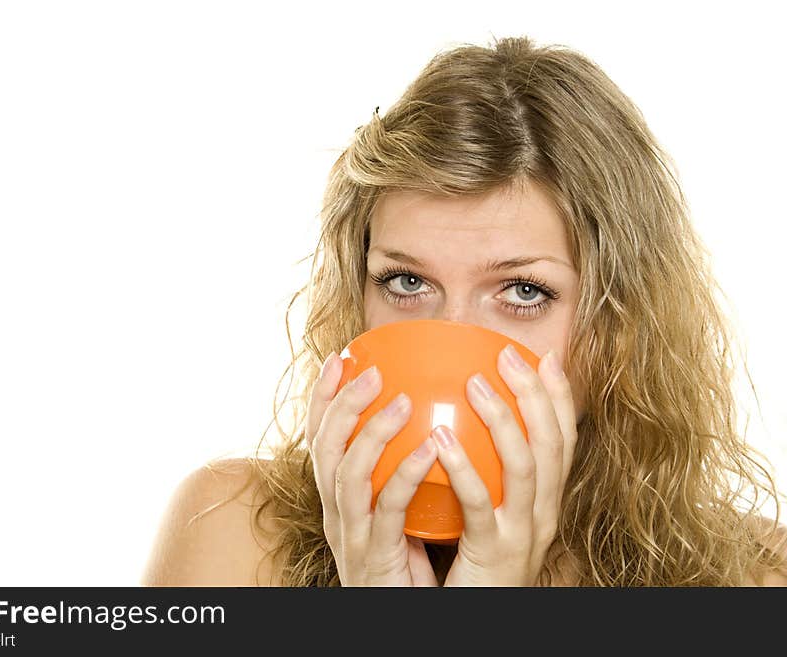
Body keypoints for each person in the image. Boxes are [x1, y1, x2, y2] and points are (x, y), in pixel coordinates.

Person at [141, 35, 787, 586]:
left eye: (524, 292)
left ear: (617, 324)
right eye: (405, 281)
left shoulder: (756, 575)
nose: (451, 339)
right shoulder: (233, 534)